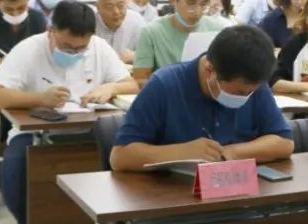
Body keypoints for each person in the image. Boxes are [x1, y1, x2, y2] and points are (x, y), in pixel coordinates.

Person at [0, 0, 137, 224]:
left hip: (90, 133)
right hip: (36, 133)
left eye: (81, 48)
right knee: (15, 171)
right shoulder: (28, 50)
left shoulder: (99, 47)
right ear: (51, 31)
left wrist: (109, 88)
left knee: (123, 163)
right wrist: (38, 98)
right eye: (67, 47)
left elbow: (130, 83)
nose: (75, 53)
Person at [112, 26, 294, 171]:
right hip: (171, 195)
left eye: (250, 92)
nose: (245, 97)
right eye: (238, 92)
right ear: (210, 71)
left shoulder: (252, 82)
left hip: (235, 190)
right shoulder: (164, 85)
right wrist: (183, 152)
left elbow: (284, 143)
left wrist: (231, 152)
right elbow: (120, 157)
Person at [133, 0, 229, 83]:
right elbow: (140, 79)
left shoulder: (218, 29)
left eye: (204, 4)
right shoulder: (151, 32)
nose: (197, 11)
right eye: (191, 3)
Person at [94, 0, 145, 64]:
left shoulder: (136, 21)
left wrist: (136, 56)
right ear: (98, 7)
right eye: (109, 7)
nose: (116, 12)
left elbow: (150, 55)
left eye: (120, 6)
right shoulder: (89, 24)